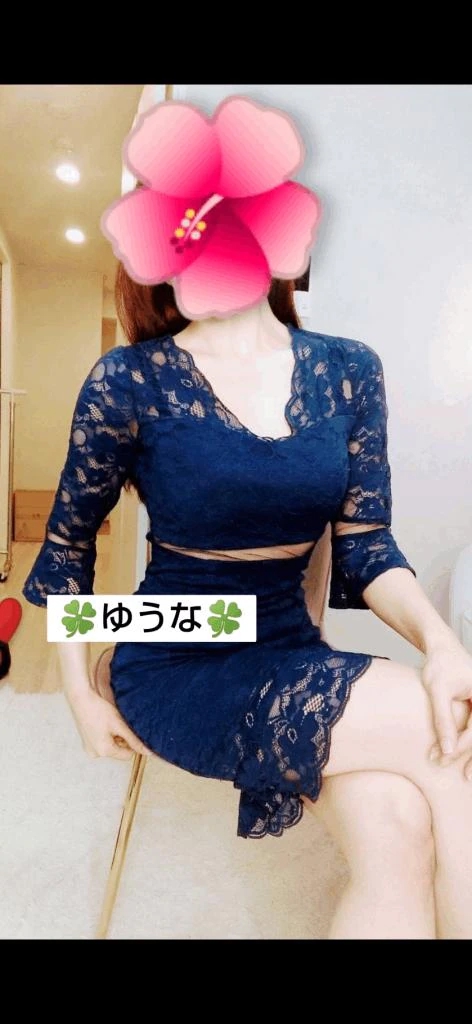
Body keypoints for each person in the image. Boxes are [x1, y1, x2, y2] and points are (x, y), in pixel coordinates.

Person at [23, 269, 472, 940]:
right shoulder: (129, 377)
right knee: (453, 734)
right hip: (177, 656)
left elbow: (366, 545)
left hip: (287, 643)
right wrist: (79, 694)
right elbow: (68, 545)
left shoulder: (348, 369)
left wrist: (443, 646)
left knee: (397, 827)